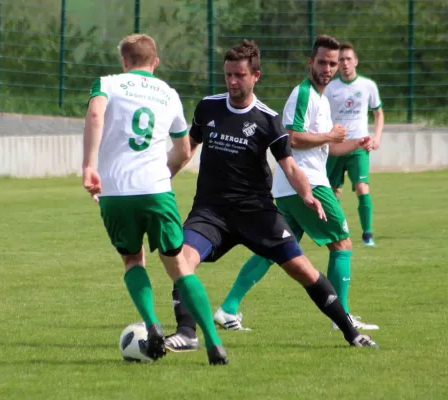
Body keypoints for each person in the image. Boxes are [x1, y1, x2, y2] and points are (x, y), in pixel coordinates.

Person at [163, 39, 378, 353]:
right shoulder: (208, 106)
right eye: (228, 75)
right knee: (180, 260)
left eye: (239, 75)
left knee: (302, 269)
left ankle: (350, 332)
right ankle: (186, 333)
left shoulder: (267, 120)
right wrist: (156, 180)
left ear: (256, 76)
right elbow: (185, 152)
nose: (233, 81)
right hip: (211, 211)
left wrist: (307, 194)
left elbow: (289, 166)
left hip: (257, 213)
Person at [81, 33, 227, 365]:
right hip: (157, 189)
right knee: (178, 267)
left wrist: (90, 165)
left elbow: (94, 116)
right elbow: (184, 151)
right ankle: (214, 343)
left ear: (124, 61)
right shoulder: (169, 94)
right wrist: (165, 173)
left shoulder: (108, 83)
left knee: (133, 260)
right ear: (155, 61)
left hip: (116, 191)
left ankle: (151, 324)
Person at [324, 42, 384, 247]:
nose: (345, 63)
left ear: (356, 61)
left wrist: (376, 138)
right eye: (341, 59)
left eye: (348, 59)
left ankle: (367, 234)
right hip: (336, 146)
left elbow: (378, 113)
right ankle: (337, 232)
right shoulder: (330, 88)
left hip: (360, 145)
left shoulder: (368, 86)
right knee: (334, 192)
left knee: (361, 187)